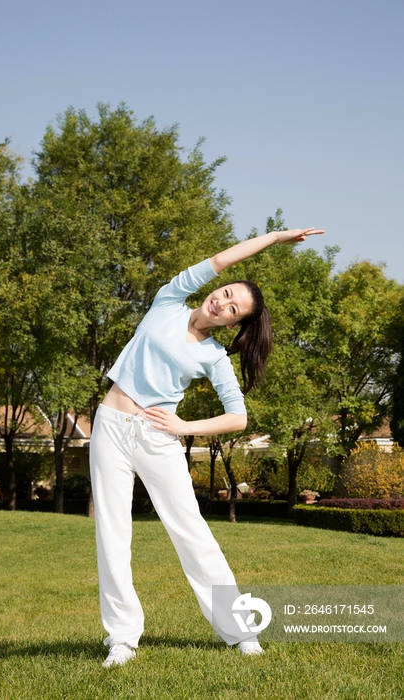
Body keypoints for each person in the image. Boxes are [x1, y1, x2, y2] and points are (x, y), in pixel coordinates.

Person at [90, 227, 324, 668]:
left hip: (158, 437)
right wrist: (273, 239)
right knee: (112, 535)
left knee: (192, 534)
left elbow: (239, 417)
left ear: (232, 324)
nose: (222, 302)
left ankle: (240, 631)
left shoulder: (214, 357)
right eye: (226, 293)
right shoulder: (168, 301)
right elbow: (222, 258)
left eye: (232, 309)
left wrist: (183, 425)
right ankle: (121, 637)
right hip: (110, 427)